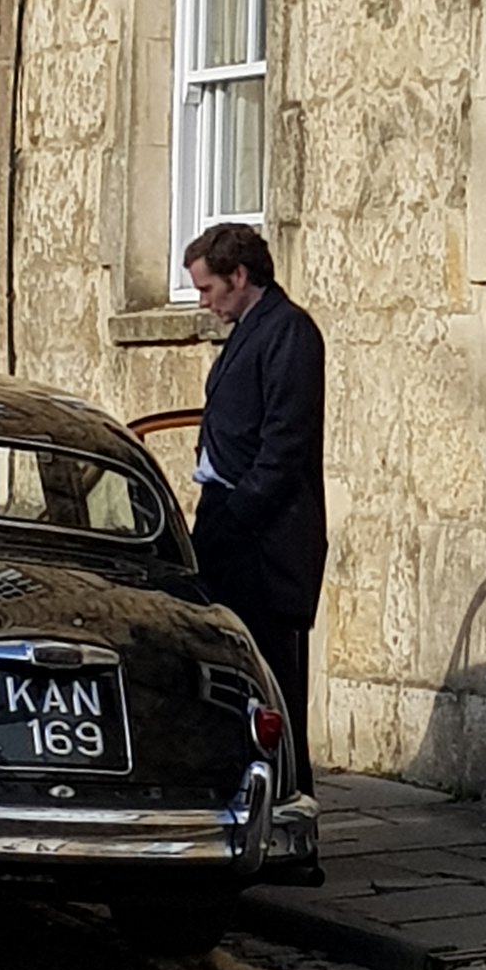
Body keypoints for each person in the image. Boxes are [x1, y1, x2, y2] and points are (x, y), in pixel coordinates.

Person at [184, 223, 326, 795]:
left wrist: (242, 510)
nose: (204, 303)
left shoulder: (289, 332)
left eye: (208, 288)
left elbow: (285, 442)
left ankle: (289, 797)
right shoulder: (249, 331)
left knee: (272, 675)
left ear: (239, 276)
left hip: (263, 536)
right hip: (226, 516)